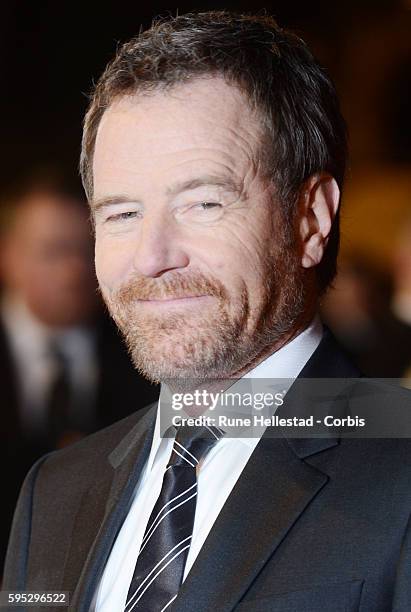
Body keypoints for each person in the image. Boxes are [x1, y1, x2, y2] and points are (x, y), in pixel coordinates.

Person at [3, 12, 411, 612]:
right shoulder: (54, 492)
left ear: (311, 219)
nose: (152, 258)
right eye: (121, 214)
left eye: (202, 203)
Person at [0, 172, 158, 575]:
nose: (74, 271)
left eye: (85, 251)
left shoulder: (149, 351)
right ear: (9, 256)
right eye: (53, 252)